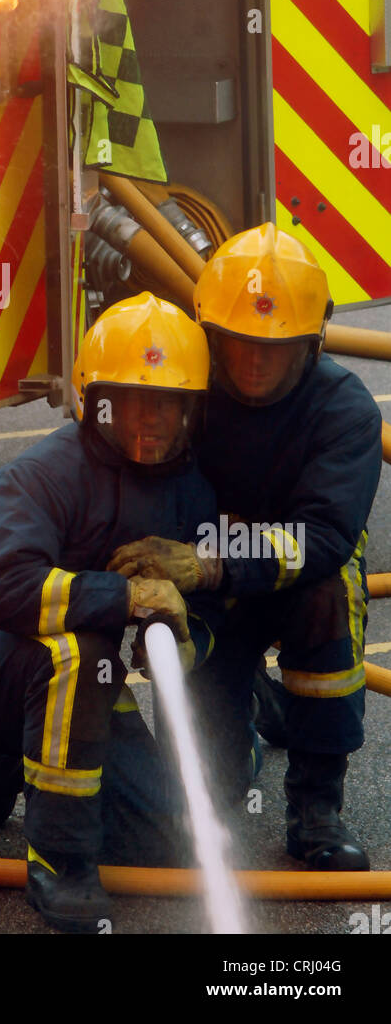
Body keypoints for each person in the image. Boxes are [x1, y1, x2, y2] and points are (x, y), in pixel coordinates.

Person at [0, 292, 222, 933]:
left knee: (161, 838)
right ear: (95, 399)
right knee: (75, 656)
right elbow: (2, 587)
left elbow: (213, 615)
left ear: (193, 409)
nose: (151, 418)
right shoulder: (39, 474)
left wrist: (180, 630)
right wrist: (127, 598)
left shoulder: (195, 492)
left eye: (168, 402)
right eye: (133, 399)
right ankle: (59, 863)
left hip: (84, 674)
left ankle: (19, 751)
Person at [108, 225, 383, 870]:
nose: (255, 363)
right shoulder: (185, 391)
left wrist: (211, 561)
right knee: (212, 789)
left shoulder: (345, 411)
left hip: (289, 581)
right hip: (208, 596)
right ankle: (250, 718)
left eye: (276, 348)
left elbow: (325, 538)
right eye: (239, 344)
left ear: (311, 343)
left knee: (330, 596)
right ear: (210, 334)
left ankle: (317, 809)